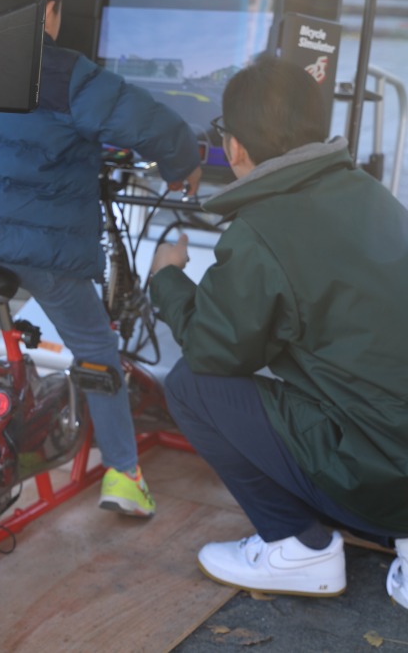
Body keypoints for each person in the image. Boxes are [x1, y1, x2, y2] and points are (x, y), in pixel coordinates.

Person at [0, 0, 202, 518]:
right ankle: (123, 473)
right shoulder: (69, 74)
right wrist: (183, 163)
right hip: (43, 250)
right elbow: (155, 124)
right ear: (48, 10)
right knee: (96, 349)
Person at [149, 56, 408, 605]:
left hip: (384, 475)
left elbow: (214, 350)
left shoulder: (261, 233)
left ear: (234, 147)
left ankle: (298, 547)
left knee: (191, 385)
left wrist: (168, 280)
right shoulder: (370, 193)